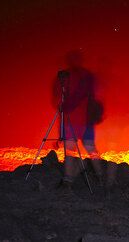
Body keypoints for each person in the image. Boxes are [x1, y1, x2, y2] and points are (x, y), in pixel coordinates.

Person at [53, 50, 104, 188]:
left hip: (76, 120)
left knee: (71, 149)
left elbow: (61, 100)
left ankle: (68, 180)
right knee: (88, 148)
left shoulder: (73, 76)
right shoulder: (87, 76)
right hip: (84, 120)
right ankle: (100, 176)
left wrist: (65, 106)